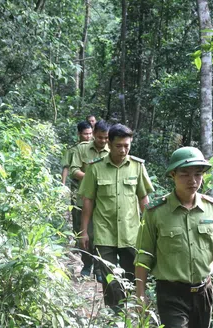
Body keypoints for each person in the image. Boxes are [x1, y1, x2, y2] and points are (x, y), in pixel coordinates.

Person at [135, 147, 213, 328]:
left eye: (198, 174)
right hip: (170, 292)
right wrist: (140, 294)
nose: (193, 180)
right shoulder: (155, 212)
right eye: (185, 174)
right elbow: (144, 254)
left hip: (203, 292)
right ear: (173, 175)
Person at [79, 123, 154, 307]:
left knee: (131, 275)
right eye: (119, 146)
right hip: (105, 232)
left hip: (131, 232)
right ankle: (115, 313)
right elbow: (88, 200)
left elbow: (143, 198)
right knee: (109, 278)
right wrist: (84, 231)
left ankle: (129, 309)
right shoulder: (95, 168)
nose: (123, 150)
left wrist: (152, 229)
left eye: (127, 146)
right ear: (109, 145)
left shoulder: (137, 167)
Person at [70, 120, 110, 279]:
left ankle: (100, 269)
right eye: (100, 137)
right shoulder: (82, 149)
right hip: (84, 198)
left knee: (101, 236)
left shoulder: (112, 151)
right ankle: (87, 264)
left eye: (106, 138)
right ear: (93, 135)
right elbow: (74, 170)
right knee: (85, 234)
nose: (103, 141)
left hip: (103, 202)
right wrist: (91, 178)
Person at [60, 121, 93, 186]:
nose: (88, 136)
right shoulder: (72, 150)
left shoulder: (96, 147)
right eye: (85, 134)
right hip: (77, 183)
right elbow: (66, 168)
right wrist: (63, 185)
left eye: (90, 133)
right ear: (79, 134)